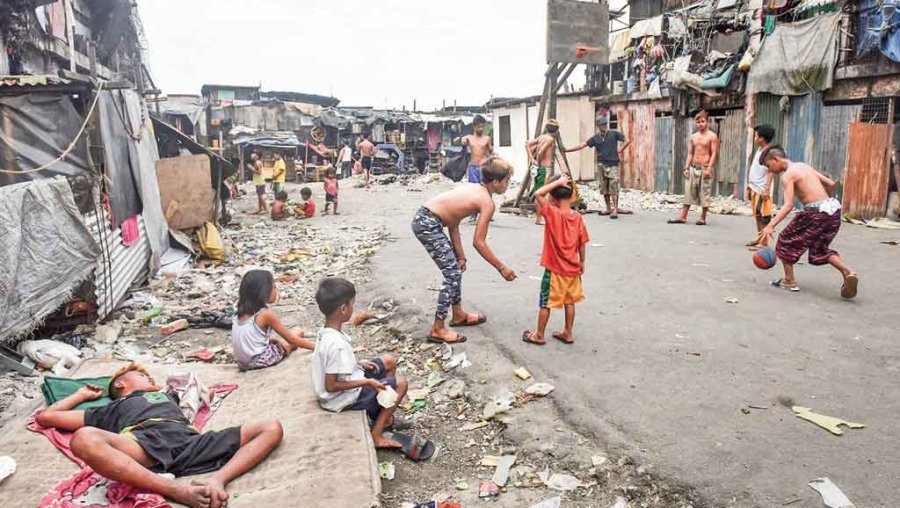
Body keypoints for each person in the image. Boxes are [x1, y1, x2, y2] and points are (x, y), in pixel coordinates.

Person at [34, 363, 284, 508]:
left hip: (190, 441)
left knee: (271, 427)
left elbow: (193, 389)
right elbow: (46, 417)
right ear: (121, 384)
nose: (150, 376)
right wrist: (80, 396)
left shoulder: (169, 394)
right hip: (143, 444)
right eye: (141, 375)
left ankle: (217, 480)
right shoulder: (110, 408)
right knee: (84, 438)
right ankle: (176, 490)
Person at [411, 156, 518, 344]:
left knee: (455, 269)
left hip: (426, 219)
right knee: (452, 273)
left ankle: (458, 314)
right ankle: (437, 328)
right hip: (428, 223)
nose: (508, 184)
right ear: (495, 182)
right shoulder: (487, 202)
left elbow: (453, 222)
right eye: (507, 180)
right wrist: (502, 268)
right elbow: (479, 242)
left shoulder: (475, 188)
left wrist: (461, 256)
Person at [311, 278, 408, 449]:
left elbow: (335, 366)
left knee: (388, 361)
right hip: (343, 399)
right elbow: (331, 386)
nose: (353, 308)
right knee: (401, 384)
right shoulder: (336, 344)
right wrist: (367, 381)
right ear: (343, 309)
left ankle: (381, 414)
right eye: (352, 304)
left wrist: (358, 364)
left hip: (348, 385)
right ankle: (376, 434)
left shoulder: (327, 331)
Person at [756, 146, 858, 298]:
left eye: (769, 166)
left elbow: (788, 205)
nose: (770, 170)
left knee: (785, 240)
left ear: (776, 159)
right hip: (833, 210)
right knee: (820, 248)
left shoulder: (788, 176)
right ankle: (848, 272)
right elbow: (830, 183)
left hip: (816, 213)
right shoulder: (803, 166)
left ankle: (789, 280)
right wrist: (827, 203)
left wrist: (771, 225)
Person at [522, 175, 589, 346]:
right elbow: (582, 242)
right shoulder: (578, 217)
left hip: (554, 270)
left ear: (552, 197)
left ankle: (539, 335)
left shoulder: (552, 214)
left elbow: (537, 194)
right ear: (572, 196)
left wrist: (557, 183)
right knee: (570, 301)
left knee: (545, 302)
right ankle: (568, 332)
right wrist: (582, 262)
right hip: (573, 270)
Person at [232, 270, 314, 371]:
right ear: (264, 291)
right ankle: (287, 349)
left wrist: (271, 340)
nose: (276, 291)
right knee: (298, 332)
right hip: (259, 360)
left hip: (242, 363)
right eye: (274, 287)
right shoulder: (265, 314)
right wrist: (317, 347)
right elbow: (291, 339)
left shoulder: (239, 313)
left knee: (280, 340)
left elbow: (249, 337)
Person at [565, 115, 632, 219]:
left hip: (613, 164)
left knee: (614, 186)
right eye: (602, 124)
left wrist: (621, 150)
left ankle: (615, 209)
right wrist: (567, 150)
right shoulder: (595, 138)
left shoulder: (613, 134)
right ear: (598, 125)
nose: (605, 125)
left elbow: (627, 140)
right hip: (601, 164)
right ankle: (608, 208)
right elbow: (582, 145)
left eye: (605, 123)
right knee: (604, 187)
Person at [668, 110, 719, 226]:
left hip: (705, 168)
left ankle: (703, 217)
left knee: (704, 193)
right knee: (688, 192)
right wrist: (686, 168)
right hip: (693, 168)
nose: (700, 124)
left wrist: (709, 168)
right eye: (698, 122)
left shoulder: (712, 136)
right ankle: (683, 216)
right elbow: (690, 153)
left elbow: (714, 154)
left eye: (703, 121)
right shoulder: (693, 137)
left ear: (707, 121)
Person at [456, 115, 494, 221]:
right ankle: (473, 215)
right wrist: (460, 140)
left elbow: (490, 152)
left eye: (482, 127)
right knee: (473, 191)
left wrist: (493, 155)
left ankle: (487, 213)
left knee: (486, 190)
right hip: (473, 167)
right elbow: (459, 141)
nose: (481, 129)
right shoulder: (469, 138)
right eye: (479, 127)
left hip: (484, 167)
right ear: (474, 127)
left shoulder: (487, 139)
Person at [745, 125, 776, 250]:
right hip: (755, 187)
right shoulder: (759, 149)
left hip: (763, 188)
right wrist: (749, 185)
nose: (755, 137)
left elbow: (771, 170)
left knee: (764, 216)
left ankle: (763, 242)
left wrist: (767, 188)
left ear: (762, 138)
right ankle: (759, 238)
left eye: (756, 135)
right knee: (757, 215)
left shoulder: (769, 152)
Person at [526, 120, 561, 225]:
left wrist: (532, 159)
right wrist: (538, 161)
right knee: (541, 194)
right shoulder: (550, 139)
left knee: (539, 192)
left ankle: (541, 217)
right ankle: (539, 218)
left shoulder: (541, 137)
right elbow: (541, 152)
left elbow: (527, 144)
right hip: (545, 168)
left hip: (539, 168)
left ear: (546, 129)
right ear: (556, 131)